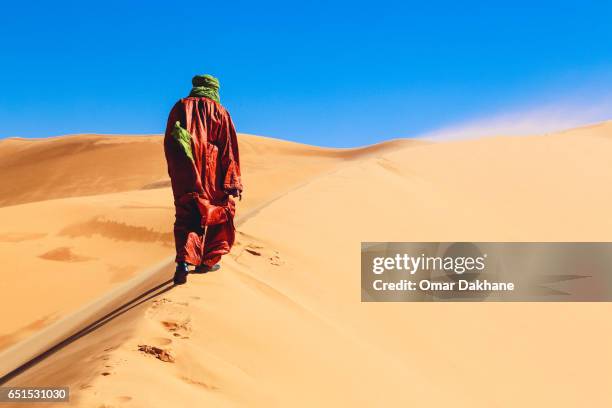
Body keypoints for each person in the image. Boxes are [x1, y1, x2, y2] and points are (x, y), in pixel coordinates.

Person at [164, 74, 243, 285]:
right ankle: (208, 260)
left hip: (187, 168)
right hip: (213, 170)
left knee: (187, 213)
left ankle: (183, 261)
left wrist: (178, 170)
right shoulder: (221, 112)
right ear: (214, 89)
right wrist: (233, 181)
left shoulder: (180, 106)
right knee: (220, 211)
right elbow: (229, 147)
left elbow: (171, 142)